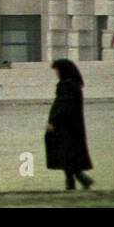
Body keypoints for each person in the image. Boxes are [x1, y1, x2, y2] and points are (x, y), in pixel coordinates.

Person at [45, 58, 94, 191]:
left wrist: (53, 122)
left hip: (65, 126)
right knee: (69, 154)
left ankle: (76, 180)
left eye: (57, 70)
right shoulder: (74, 84)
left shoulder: (66, 85)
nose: (56, 73)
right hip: (73, 125)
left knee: (66, 153)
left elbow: (62, 106)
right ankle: (76, 180)